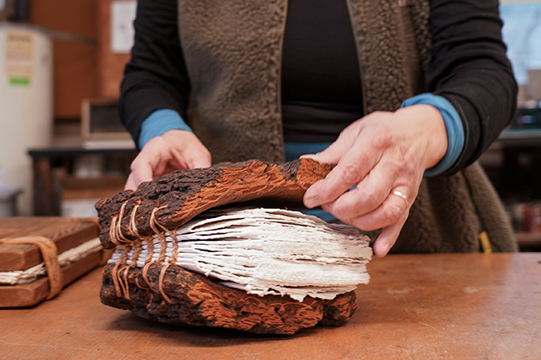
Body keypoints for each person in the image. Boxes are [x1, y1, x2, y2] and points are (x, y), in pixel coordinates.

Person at [119, 0, 519, 257]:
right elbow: (151, 73)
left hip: (415, 236)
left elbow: (482, 69)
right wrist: (163, 129)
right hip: (222, 245)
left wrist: (424, 131)